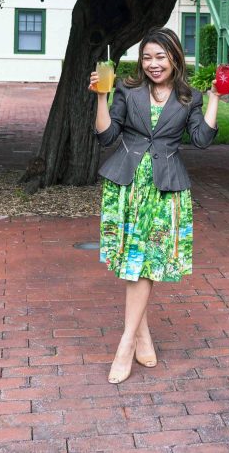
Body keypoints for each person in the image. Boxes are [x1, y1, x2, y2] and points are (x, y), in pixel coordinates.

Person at [88, 27, 220, 383]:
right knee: (134, 260)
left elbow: (202, 140)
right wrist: (101, 96)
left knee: (148, 262)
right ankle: (140, 336)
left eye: (160, 57)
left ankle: (125, 343)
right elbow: (107, 136)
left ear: (175, 57)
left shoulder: (188, 98)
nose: (153, 64)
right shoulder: (128, 90)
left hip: (166, 187)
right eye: (147, 57)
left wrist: (214, 99)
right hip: (127, 183)